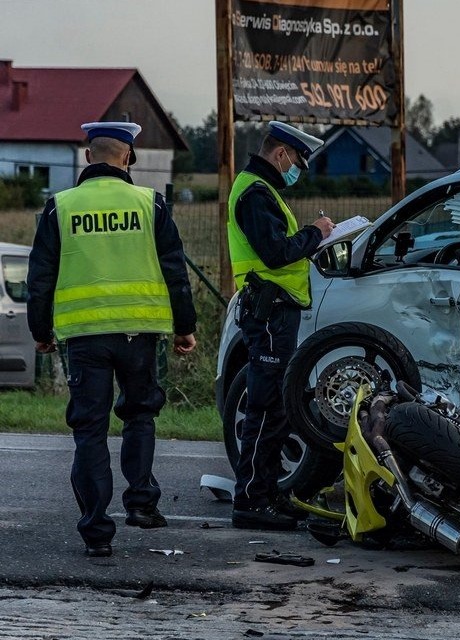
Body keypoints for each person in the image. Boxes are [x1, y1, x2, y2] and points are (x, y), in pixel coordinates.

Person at [26, 121, 198, 558]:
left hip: (84, 338)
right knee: (140, 416)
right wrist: (184, 326)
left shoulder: (60, 207)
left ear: (88, 156)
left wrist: (41, 331)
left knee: (90, 431)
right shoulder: (150, 203)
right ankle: (141, 504)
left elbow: (40, 277)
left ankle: (97, 533)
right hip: (140, 333)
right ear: (129, 157)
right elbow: (175, 271)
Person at [227, 121, 333, 531]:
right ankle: (252, 501)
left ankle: (267, 493)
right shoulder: (256, 193)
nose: (297, 172)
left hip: (275, 312)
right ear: (281, 154)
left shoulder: (261, 190)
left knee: (275, 407)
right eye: (297, 164)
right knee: (266, 407)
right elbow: (275, 253)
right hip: (268, 312)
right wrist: (315, 233)